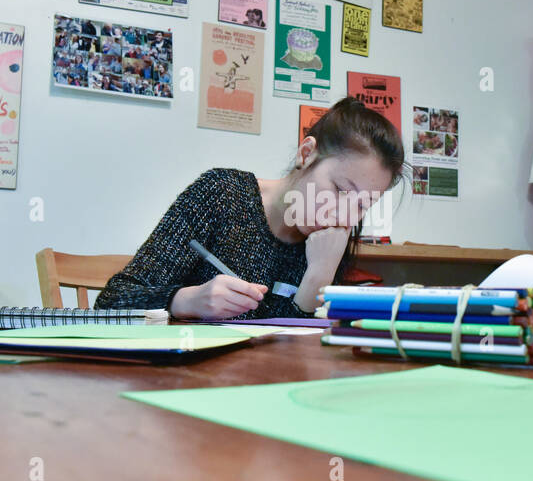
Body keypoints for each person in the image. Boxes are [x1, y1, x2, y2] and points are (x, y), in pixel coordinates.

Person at [96, 98, 405, 319]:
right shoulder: (222, 194)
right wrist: (186, 300)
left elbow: (302, 352)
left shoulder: (332, 241)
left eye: (363, 204)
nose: (343, 215)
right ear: (306, 154)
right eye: (340, 190)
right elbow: (112, 302)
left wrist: (319, 274)